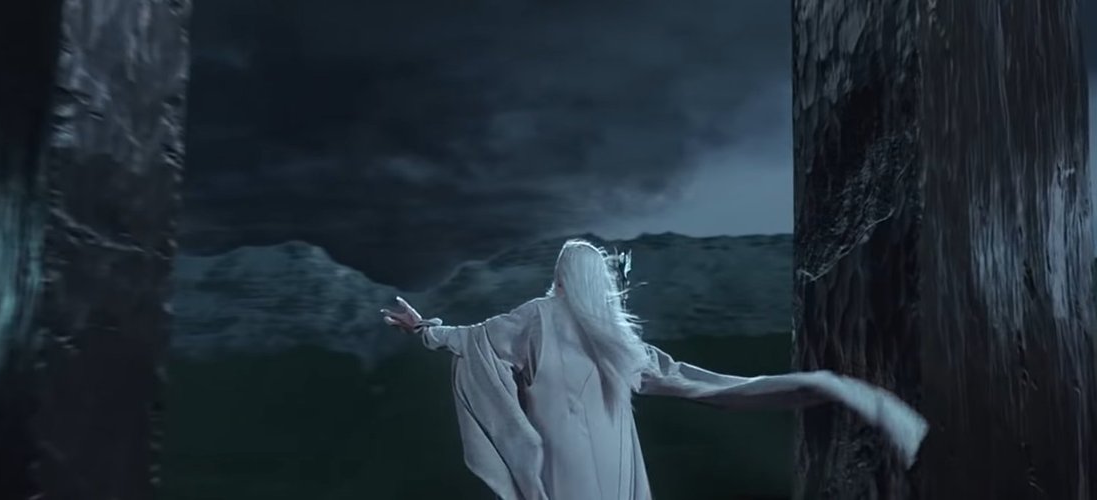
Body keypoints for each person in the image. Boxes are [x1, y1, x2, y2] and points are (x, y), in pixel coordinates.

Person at [381, 239, 927, 500]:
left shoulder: (544, 319)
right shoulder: (617, 342)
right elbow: (706, 385)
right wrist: (810, 386)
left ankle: (828, 387)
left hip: (565, 470)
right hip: (609, 469)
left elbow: (472, 338)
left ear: (561, 279)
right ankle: (833, 389)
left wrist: (424, 328)